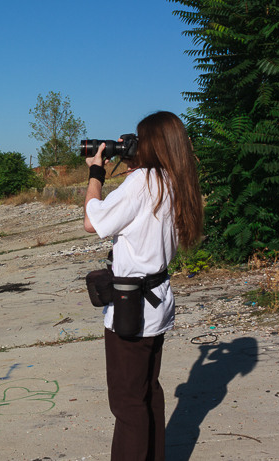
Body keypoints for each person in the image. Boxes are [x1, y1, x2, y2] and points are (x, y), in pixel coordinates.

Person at [83, 111, 203, 460]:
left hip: (131, 307)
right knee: (148, 391)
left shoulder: (143, 182)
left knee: (127, 402)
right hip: (157, 301)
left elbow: (92, 222)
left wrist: (96, 174)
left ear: (150, 144)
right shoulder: (175, 180)